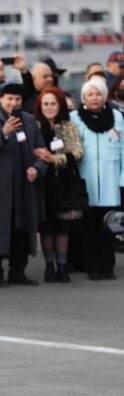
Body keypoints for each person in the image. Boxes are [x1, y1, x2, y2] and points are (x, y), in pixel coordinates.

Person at [0, 81, 48, 288]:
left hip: (24, 185)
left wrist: (38, 168)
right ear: (0, 98)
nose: (13, 103)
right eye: (9, 99)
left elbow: (42, 151)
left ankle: (18, 272)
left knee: (21, 230)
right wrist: (4, 132)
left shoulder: (29, 121)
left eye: (17, 99)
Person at [70, 79, 124, 280]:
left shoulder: (117, 117)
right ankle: (91, 266)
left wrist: (123, 179)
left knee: (110, 225)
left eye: (98, 94)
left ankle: (107, 267)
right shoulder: (75, 118)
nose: (94, 98)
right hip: (86, 181)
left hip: (111, 181)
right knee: (89, 227)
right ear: (83, 97)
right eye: (90, 94)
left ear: (104, 96)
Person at [33, 87, 85, 283]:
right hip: (42, 183)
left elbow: (77, 152)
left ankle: (62, 267)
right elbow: (29, 149)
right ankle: (48, 267)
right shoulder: (34, 125)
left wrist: (55, 159)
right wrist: (39, 155)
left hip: (63, 182)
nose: (49, 107)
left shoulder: (68, 126)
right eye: (45, 104)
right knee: (46, 227)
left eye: (53, 103)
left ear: (60, 105)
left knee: (62, 227)